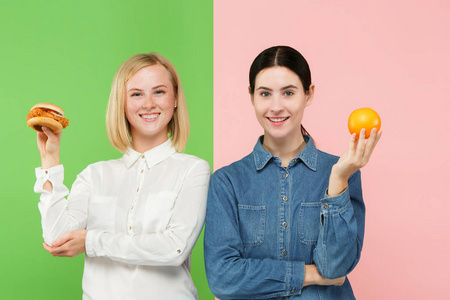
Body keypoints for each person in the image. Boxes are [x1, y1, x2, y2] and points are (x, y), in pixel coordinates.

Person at [204, 46, 382, 299]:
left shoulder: (343, 173)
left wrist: (338, 181)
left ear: (309, 94)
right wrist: (309, 275)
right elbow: (223, 278)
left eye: (288, 92)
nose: (276, 107)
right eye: (265, 93)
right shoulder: (227, 182)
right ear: (251, 95)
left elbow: (335, 267)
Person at [34, 53, 211, 300]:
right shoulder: (94, 175)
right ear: (122, 103)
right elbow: (56, 238)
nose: (148, 103)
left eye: (159, 92)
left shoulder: (193, 170)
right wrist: (50, 161)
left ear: (175, 99)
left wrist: (93, 241)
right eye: (136, 94)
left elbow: (174, 248)